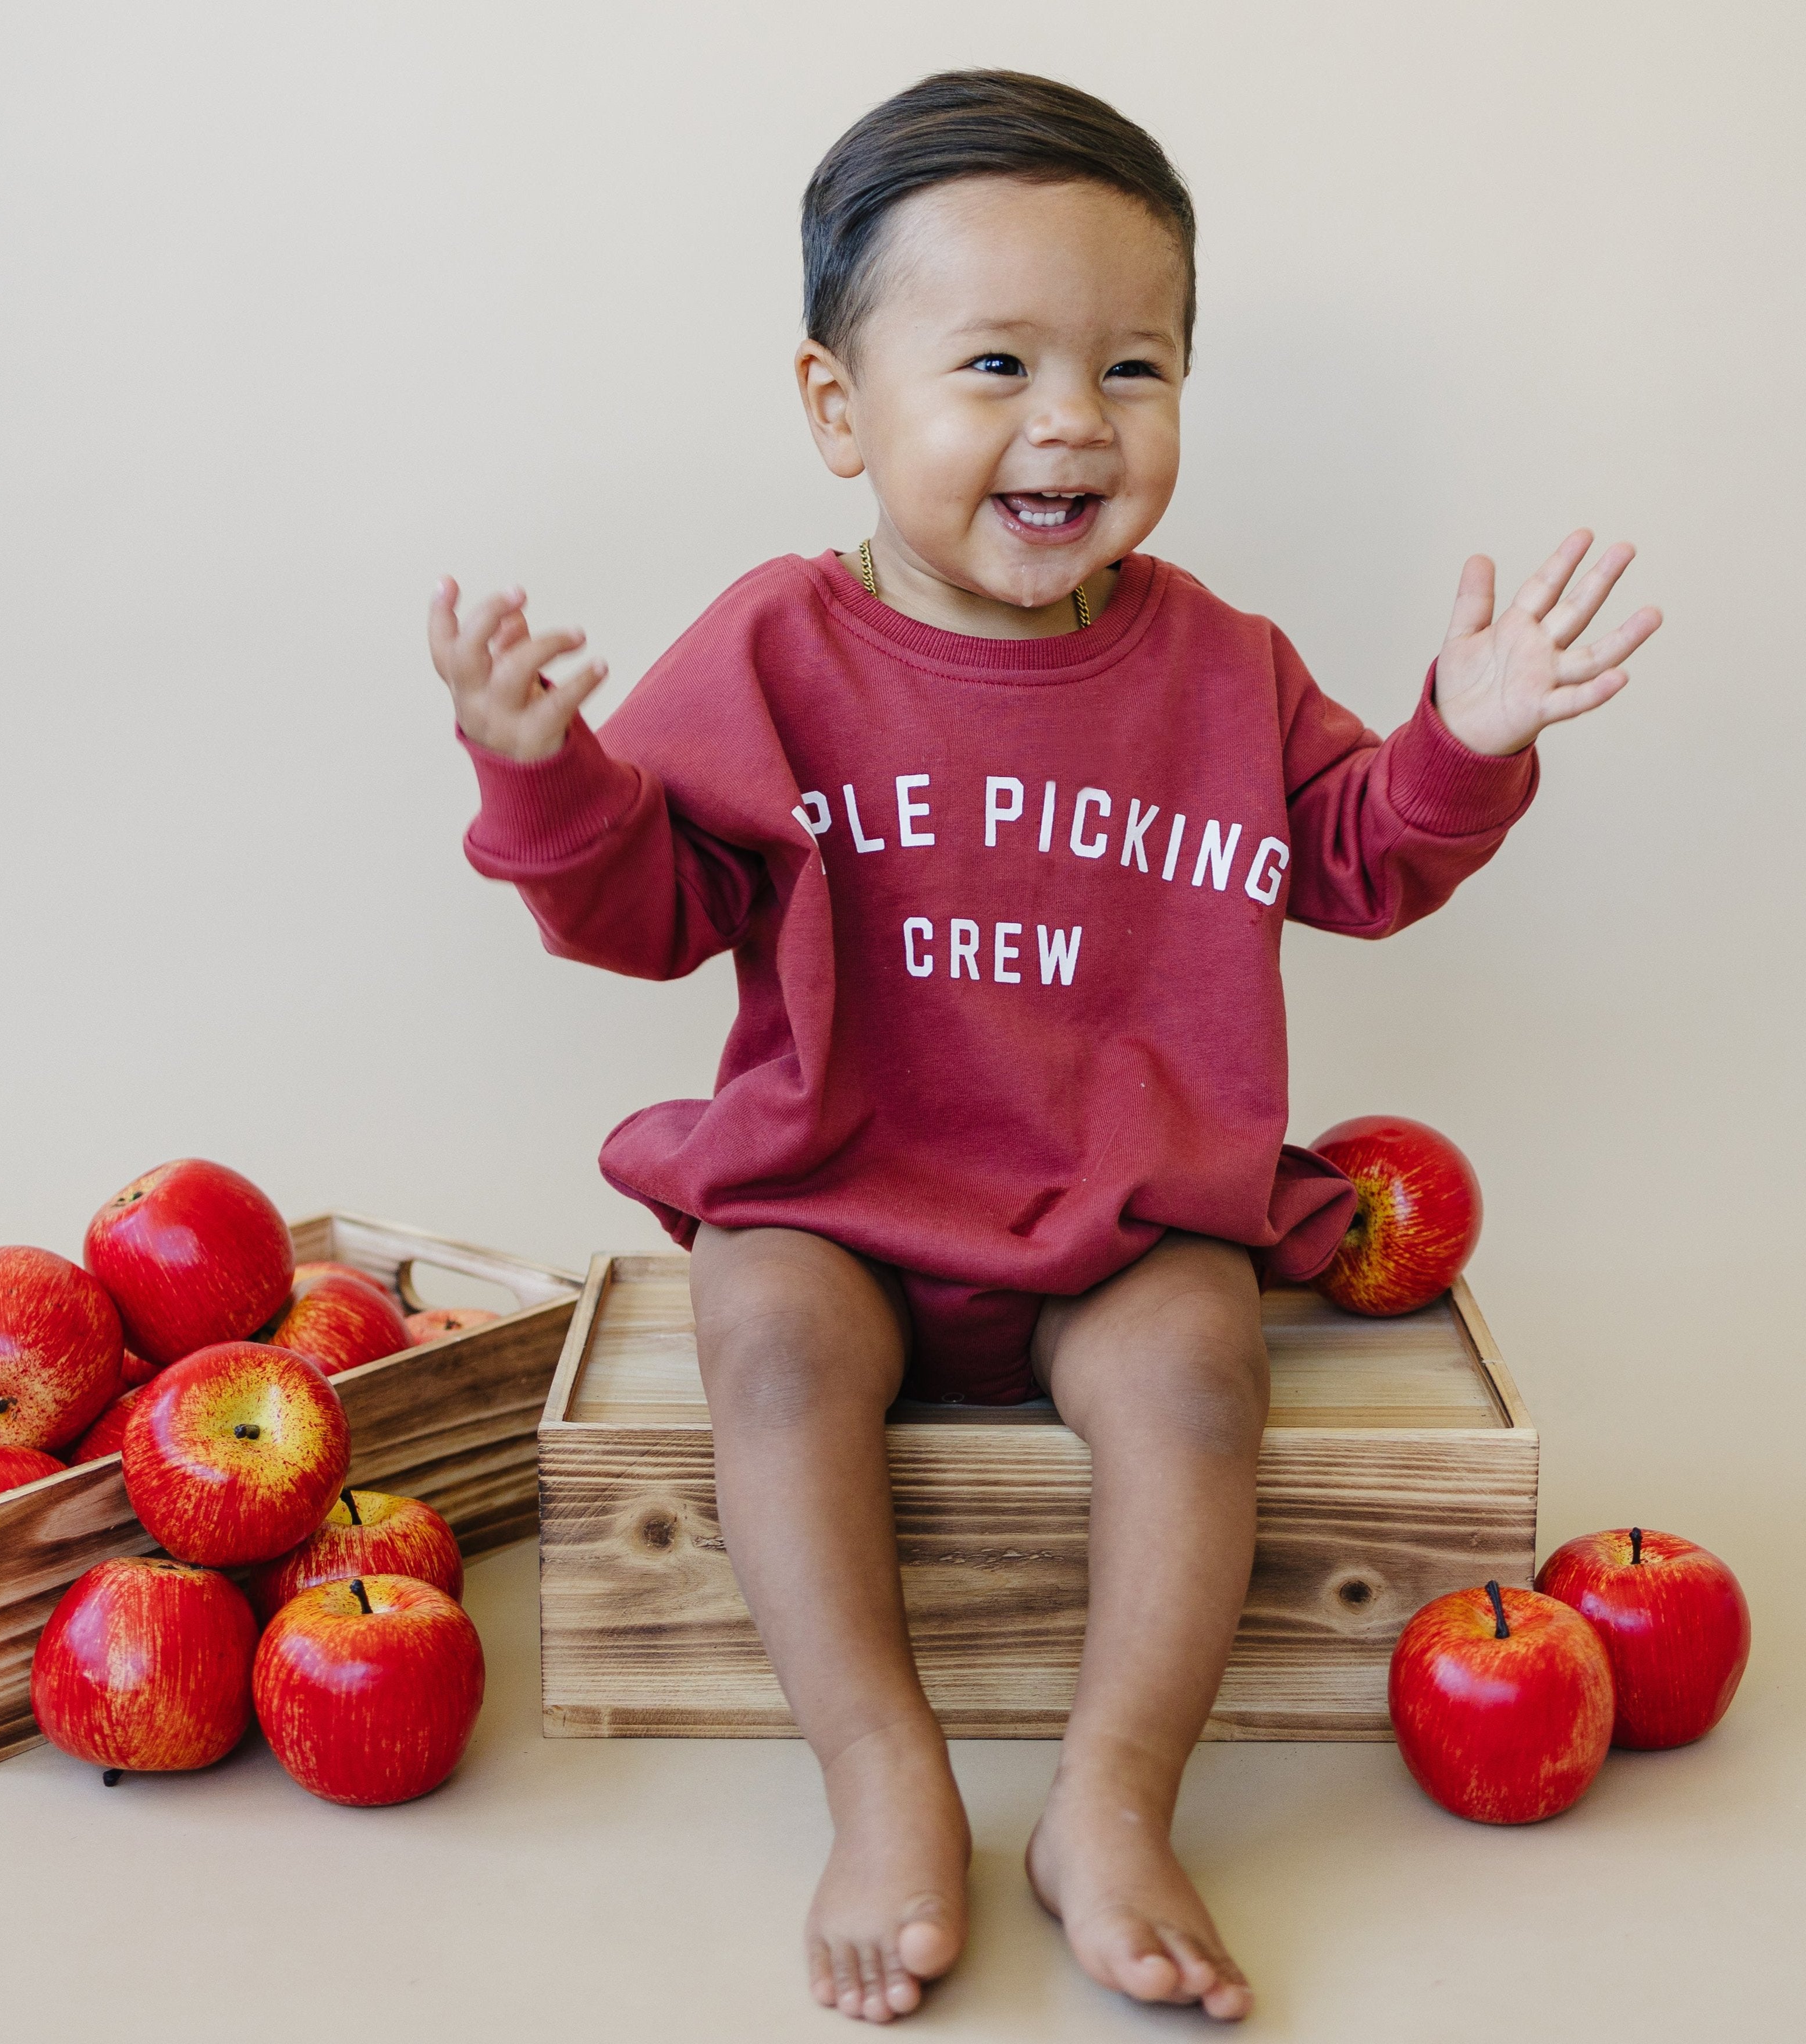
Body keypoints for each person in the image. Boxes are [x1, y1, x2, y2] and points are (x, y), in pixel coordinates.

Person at [429, 70, 1659, 2025]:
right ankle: (882, 1771)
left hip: (1116, 1213)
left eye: (1135, 366)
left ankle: (1112, 1794)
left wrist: (1465, 740)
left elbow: (1352, 859)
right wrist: (547, 775)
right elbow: (649, 908)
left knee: (1196, 1370)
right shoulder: (774, 649)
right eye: (995, 361)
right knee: (763, 1333)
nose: (1074, 419)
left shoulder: (1218, 661)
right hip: (844, 1191)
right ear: (840, 408)